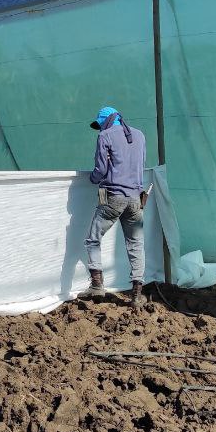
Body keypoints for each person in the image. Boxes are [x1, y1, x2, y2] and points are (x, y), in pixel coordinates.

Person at [84, 106, 148, 305]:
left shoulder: (105, 136)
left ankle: (97, 285)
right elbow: (141, 165)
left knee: (93, 238)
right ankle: (137, 294)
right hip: (136, 198)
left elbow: (100, 170)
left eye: (100, 125)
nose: (99, 129)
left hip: (111, 195)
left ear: (105, 121)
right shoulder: (140, 136)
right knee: (136, 244)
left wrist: (93, 178)